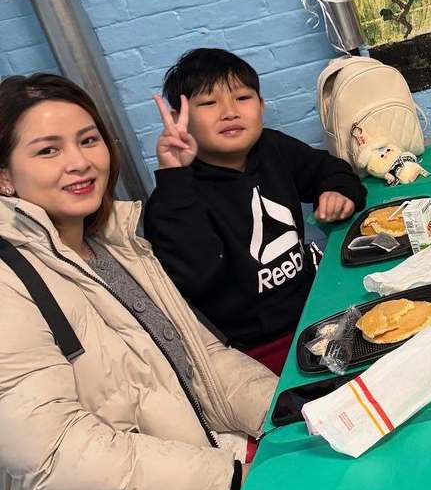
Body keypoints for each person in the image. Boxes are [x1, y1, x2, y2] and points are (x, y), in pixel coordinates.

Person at [0, 74, 277, 490]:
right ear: (4, 178)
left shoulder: (112, 245)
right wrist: (228, 481)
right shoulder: (8, 278)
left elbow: (201, 361)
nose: (79, 162)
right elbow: (53, 452)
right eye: (48, 150)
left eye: (88, 139)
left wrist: (288, 411)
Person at [144, 49, 367, 374]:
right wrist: (175, 177)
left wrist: (337, 191)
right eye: (208, 104)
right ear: (182, 117)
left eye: (243, 98)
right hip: (253, 352)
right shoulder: (174, 195)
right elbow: (196, 277)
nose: (229, 112)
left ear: (261, 107)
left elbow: (331, 170)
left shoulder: (272, 148)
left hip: (319, 310)